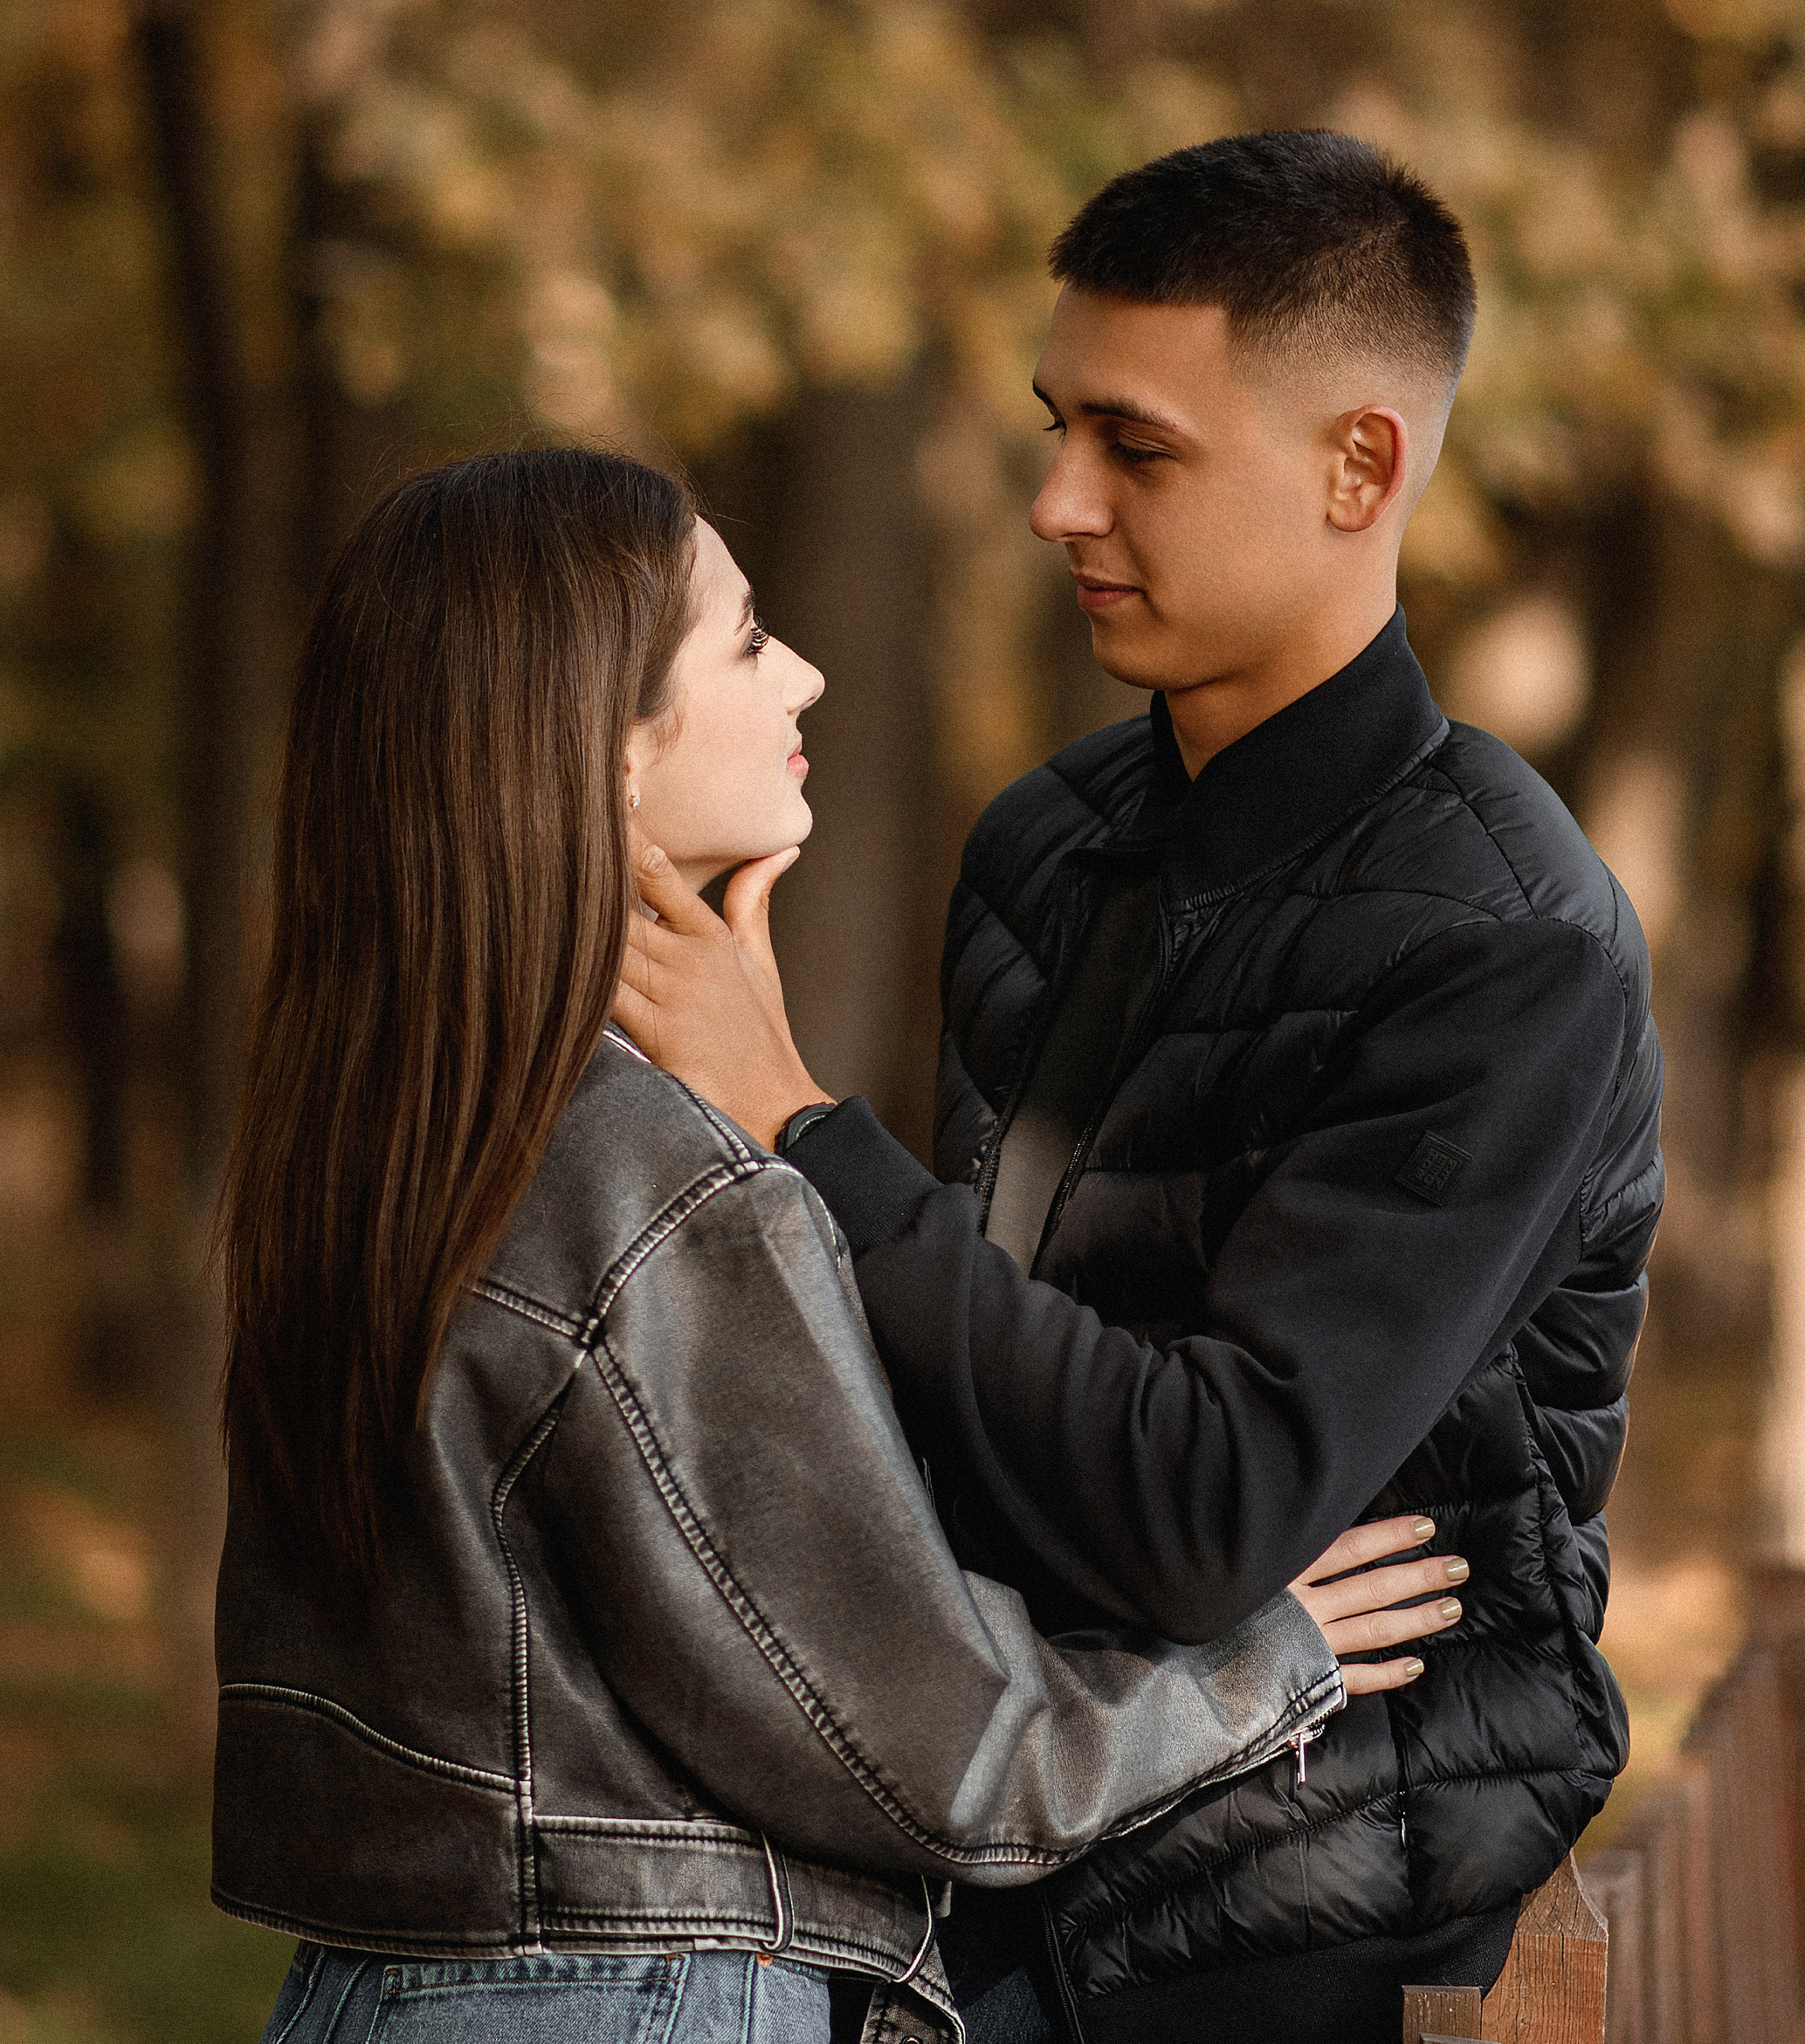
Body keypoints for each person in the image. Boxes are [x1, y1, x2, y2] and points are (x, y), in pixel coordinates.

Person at [616, 130, 1665, 2044]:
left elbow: (1201, 1514)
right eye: (1057, 429)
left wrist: (799, 1124)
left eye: (1137, 448)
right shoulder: (1043, 847)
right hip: (994, 1822)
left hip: (1296, 1915)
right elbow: (972, 1420)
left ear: (1360, 468)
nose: (1055, 503)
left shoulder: (1510, 948)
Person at [208, 446, 1457, 2044]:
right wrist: (1264, 1665)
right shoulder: (646, 1182)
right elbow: (940, 1751)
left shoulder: (384, 1131)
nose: (802, 671)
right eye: (743, 641)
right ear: (606, 754)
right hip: (619, 2003)